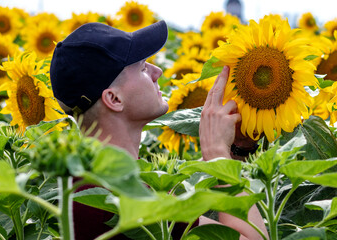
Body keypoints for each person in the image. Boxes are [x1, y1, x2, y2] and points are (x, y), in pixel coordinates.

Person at [50, 20, 268, 240]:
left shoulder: (86, 182)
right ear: (114, 98)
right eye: (143, 67)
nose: (158, 71)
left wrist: (237, 149)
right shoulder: (116, 199)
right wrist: (217, 156)